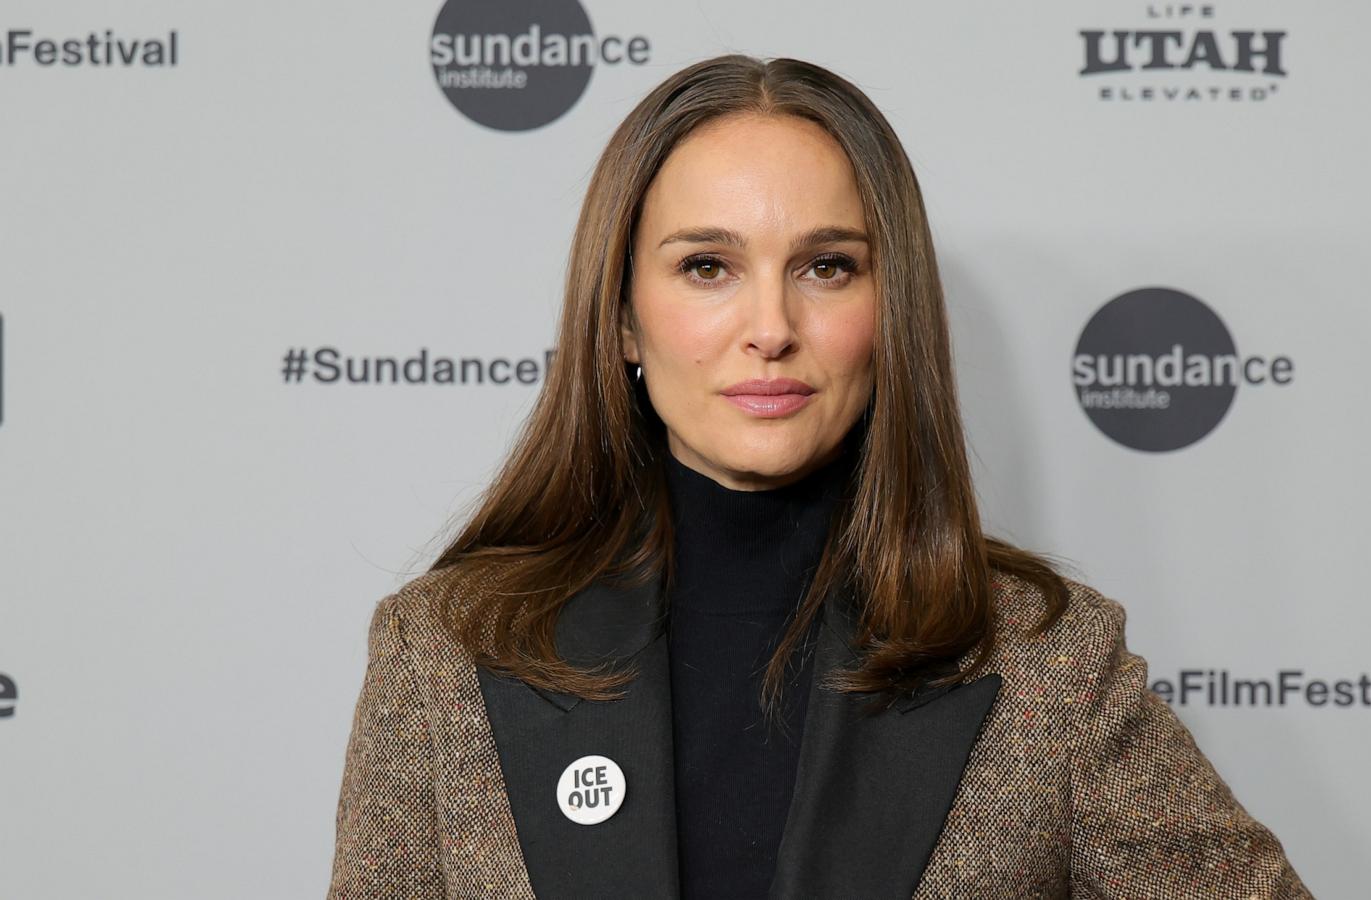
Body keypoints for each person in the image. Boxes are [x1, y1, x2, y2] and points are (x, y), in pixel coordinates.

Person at [326, 53, 1312, 899]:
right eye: (707, 266)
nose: (771, 328)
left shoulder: (1047, 664)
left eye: (826, 267)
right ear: (623, 318)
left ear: (894, 311)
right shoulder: (442, 651)